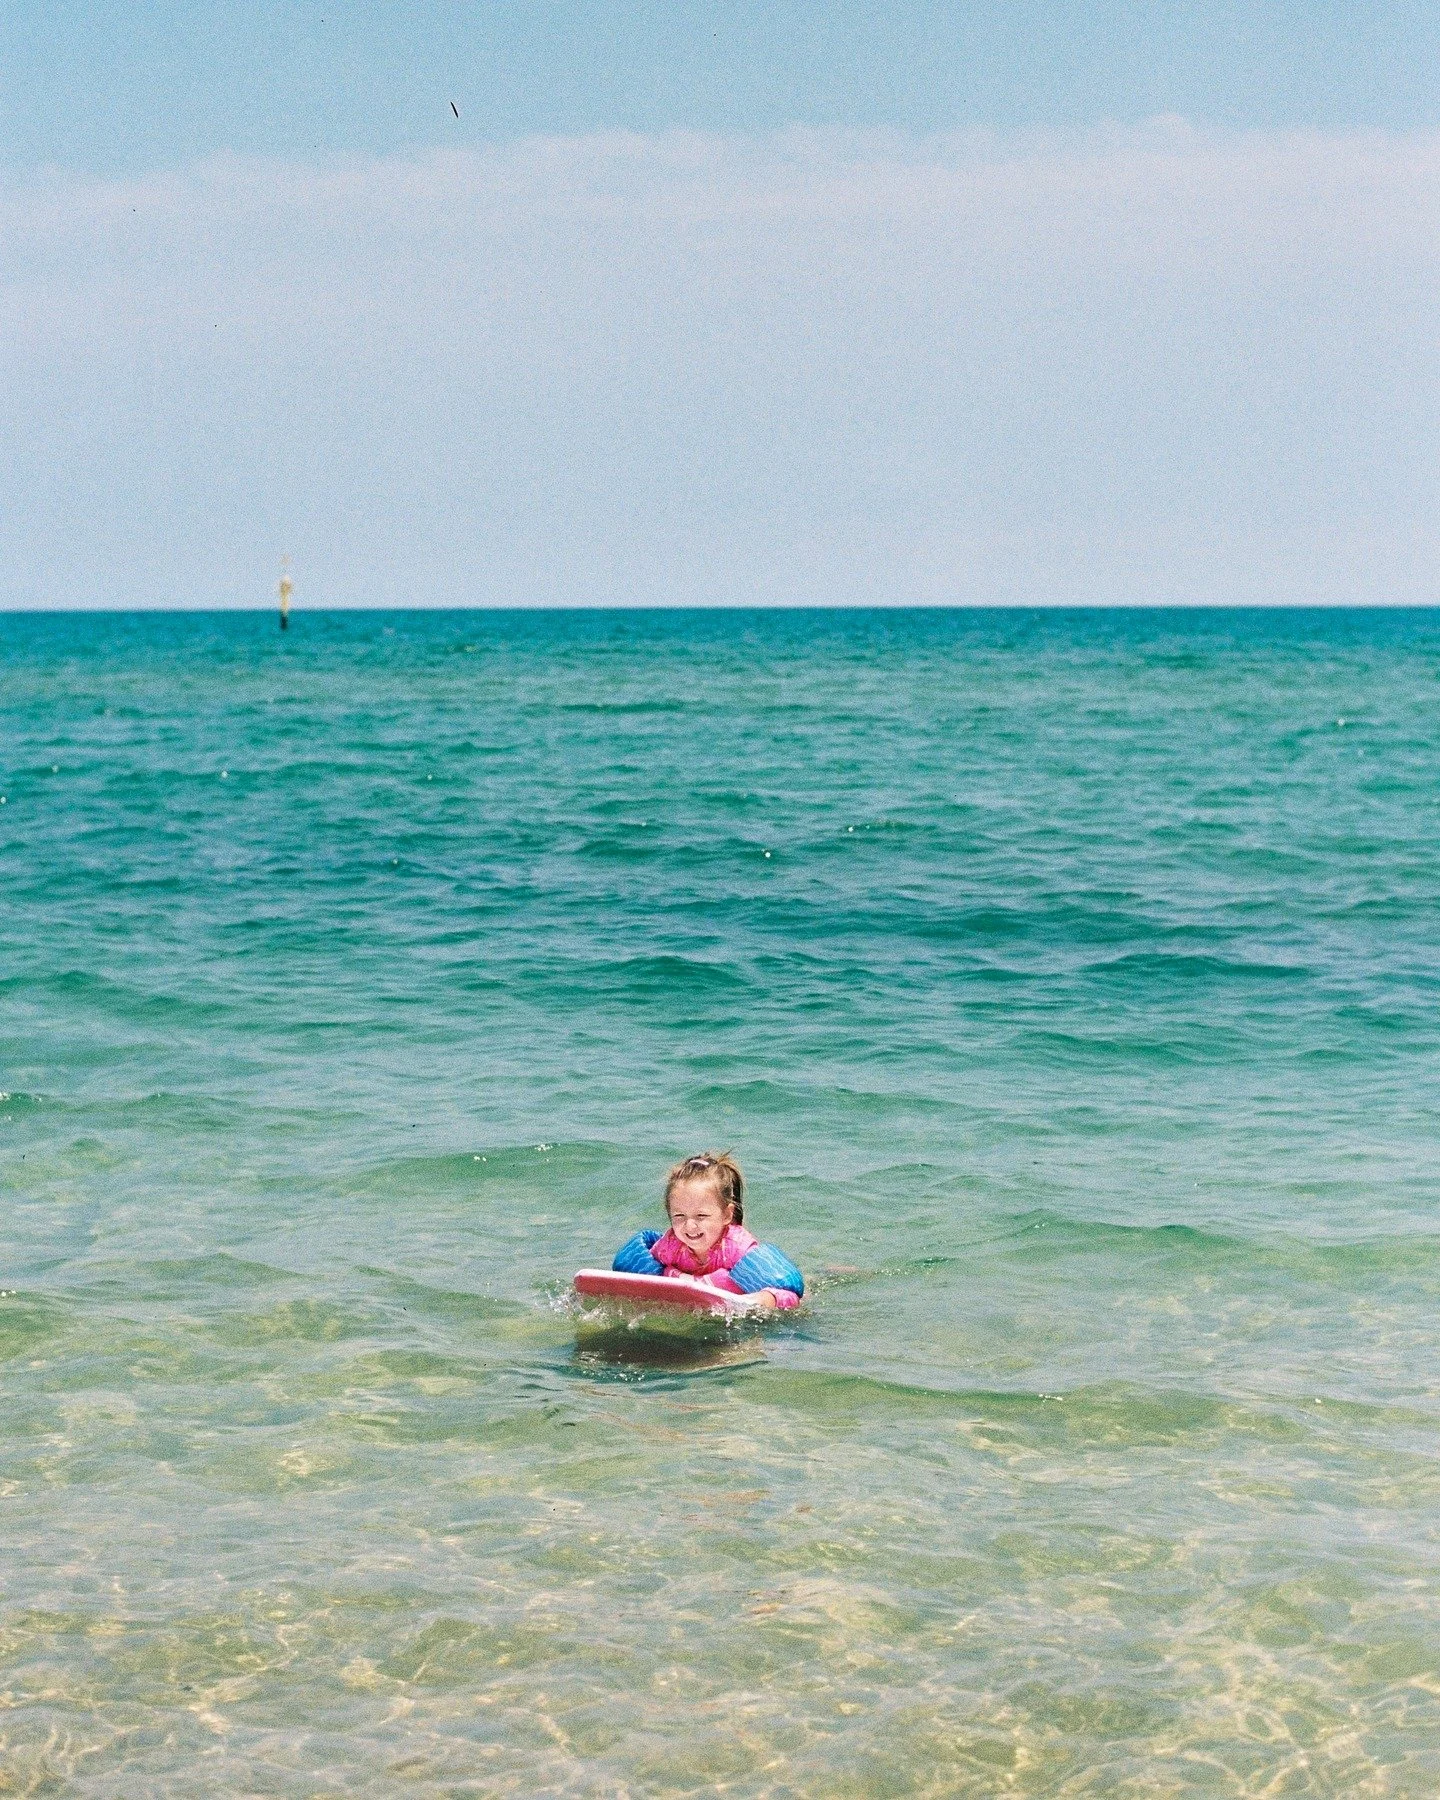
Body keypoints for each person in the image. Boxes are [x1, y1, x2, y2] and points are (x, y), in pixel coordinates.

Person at [612, 1152, 804, 1310]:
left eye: (701, 1216)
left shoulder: (737, 1248)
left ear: (727, 1215)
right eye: (679, 1216)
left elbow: (789, 1295)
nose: (690, 1226)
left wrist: (765, 1299)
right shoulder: (669, 1245)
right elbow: (643, 1277)